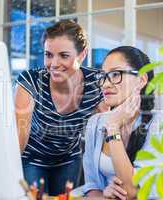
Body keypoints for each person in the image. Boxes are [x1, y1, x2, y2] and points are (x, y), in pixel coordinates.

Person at [15, 20, 107, 196]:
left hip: (69, 159)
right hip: (32, 159)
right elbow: (20, 137)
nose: (54, 64)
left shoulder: (96, 83)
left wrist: (105, 180)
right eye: (48, 55)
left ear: (82, 55)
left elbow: (106, 132)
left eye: (64, 55)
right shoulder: (31, 81)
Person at [82, 46, 163, 199]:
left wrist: (113, 127)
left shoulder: (161, 122)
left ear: (142, 80)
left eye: (116, 74)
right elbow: (91, 187)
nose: (105, 84)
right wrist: (104, 195)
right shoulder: (95, 122)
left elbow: (131, 192)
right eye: (103, 76)